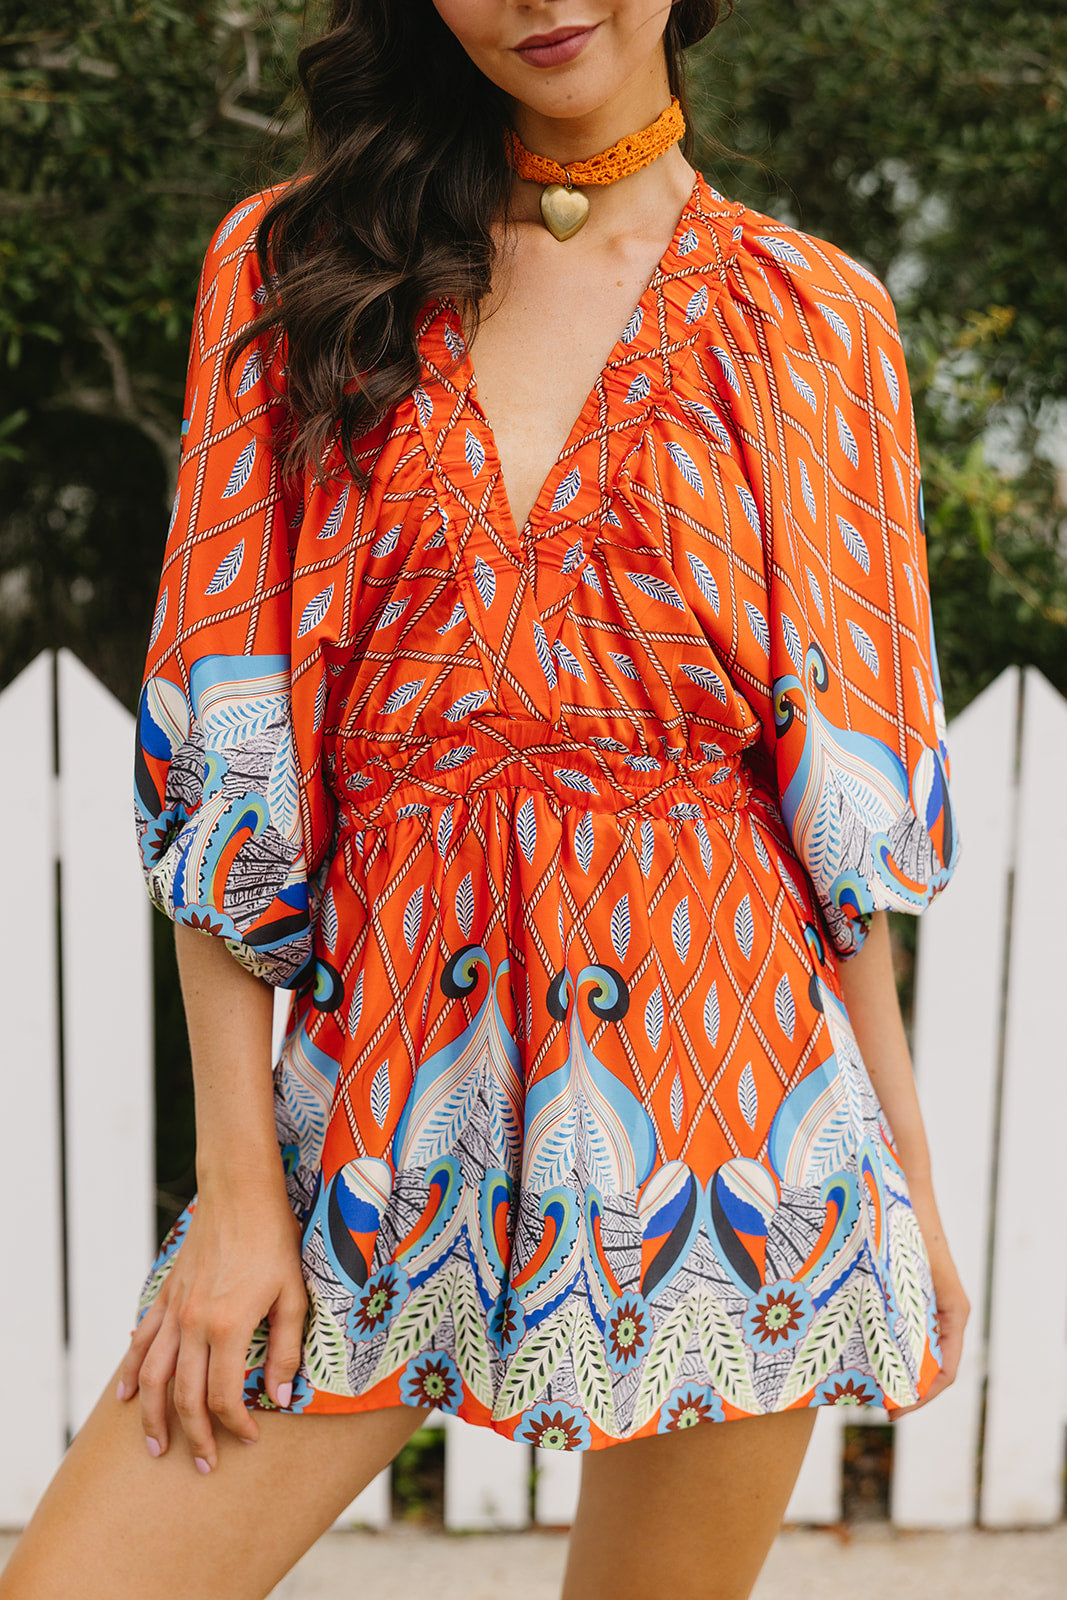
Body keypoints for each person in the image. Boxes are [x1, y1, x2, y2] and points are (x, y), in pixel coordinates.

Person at [0, 4, 970, 1598]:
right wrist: (240, 1194)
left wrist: (908, 1183)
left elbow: (841, 831)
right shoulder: (300, 267)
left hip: (738, 1121)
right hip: (379, 1098)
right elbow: (230, 752)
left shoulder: (815, 318)